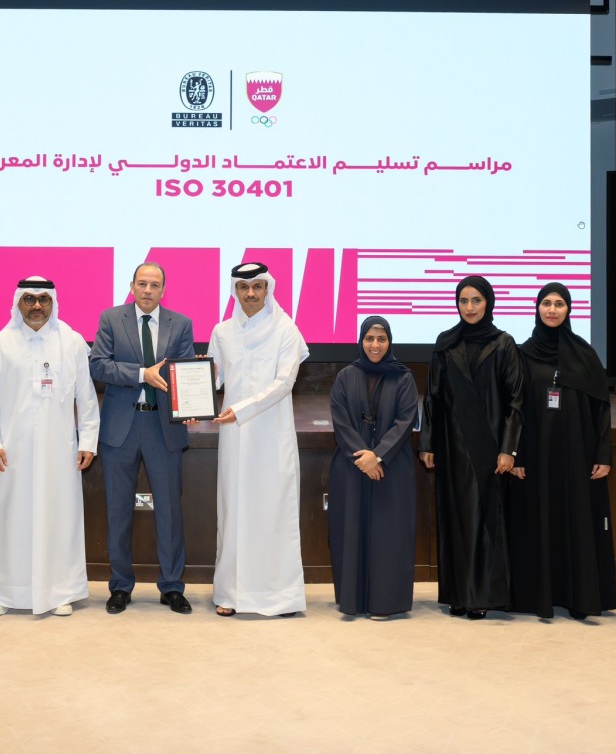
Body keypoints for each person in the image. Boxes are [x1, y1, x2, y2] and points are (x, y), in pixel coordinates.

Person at [0, 277, 99, 617]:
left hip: (59, 451)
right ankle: (5, 592)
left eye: (43, 299)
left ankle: (61, 591)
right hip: (10, 452)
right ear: (18, 302)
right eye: (29, 299)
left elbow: (86, 398)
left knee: (59, 518)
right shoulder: (0, 343)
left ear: (53, 303)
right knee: (9, 517)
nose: (36, 306)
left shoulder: (71, 342)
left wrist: (88, 439)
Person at [89, 263, 196, 615]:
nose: (148, 290)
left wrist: (190, 403)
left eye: (155, 285)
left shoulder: (180, 324)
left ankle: (171, 586)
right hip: (121, 427)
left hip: (163, 427)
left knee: (169, 511)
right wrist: (140, 374)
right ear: (132, 286)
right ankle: (120, 586)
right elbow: (98, 365)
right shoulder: (111, 318)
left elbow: (185, 373)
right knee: (118, 510)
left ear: (164, 290)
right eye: (142, 284)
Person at [509, 283, 616, 620]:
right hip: (535, 456)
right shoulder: (522, 354)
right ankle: (539, 597)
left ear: (569, 310)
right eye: (546, 303)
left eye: (559, 304)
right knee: (538, 521)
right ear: (537, 308)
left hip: (577, 455)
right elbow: (513, 408)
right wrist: (516, 454)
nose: (552, 310)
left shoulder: (584, 354)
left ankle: (578, 597)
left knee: (576, 520)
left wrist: (603, 454)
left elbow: (602, 409)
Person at [418, 275, 523, 620]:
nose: (469, 307)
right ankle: (458, 594)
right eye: (463, 301)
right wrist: (428, 442)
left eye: (476, 300)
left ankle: (481, 596)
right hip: (451, 447)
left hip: (490, 450)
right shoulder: (445, 343)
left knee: (483, 521)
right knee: (456, 522)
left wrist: (509, 449)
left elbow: (515, 401)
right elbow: (432, 398)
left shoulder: (504, 343)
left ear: (488, 303)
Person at [209, 262, 309, 617]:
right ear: (235, 291)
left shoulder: (286, 330)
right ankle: (231, 593)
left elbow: (284, 384)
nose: (250, 294)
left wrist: (243, 409)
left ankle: (277, 596)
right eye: (243, 287)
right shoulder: (222, 331)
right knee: (233, 511)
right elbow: (213, 379)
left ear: (268, 289)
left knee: (272, 512)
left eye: (257, 287)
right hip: (234, 439)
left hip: (271, 436)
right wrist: (191, 400)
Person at [327, 316, 420, 620]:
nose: (375, 345)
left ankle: (386, 603)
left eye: (381, 339)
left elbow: (406, 421)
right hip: (352, 467)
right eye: (369, 338)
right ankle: (353, 602)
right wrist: (363, 458)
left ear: (390, 341)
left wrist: (378, 456)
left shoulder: (404, 377)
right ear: (361, 341)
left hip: (392, 468)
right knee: (351, 532)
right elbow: (340, 421)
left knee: (388, 536)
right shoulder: (345, 376)